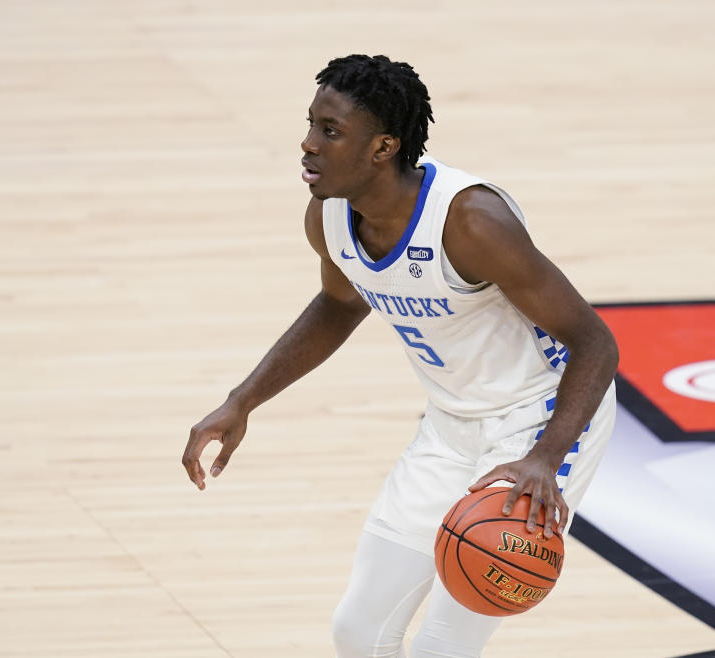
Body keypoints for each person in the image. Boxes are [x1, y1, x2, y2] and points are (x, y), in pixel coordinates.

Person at [183, 54, 619, 657]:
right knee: (359, 631)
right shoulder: (330, 215)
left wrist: (546, 457)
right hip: (450, 422)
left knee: (443, 644)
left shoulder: (470, 222)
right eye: (310, 124)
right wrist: (242, 400)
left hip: (540, 420)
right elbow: (339, 305)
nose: (307, 144)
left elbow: (595, 342)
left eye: (329, 131)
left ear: (383, 147)